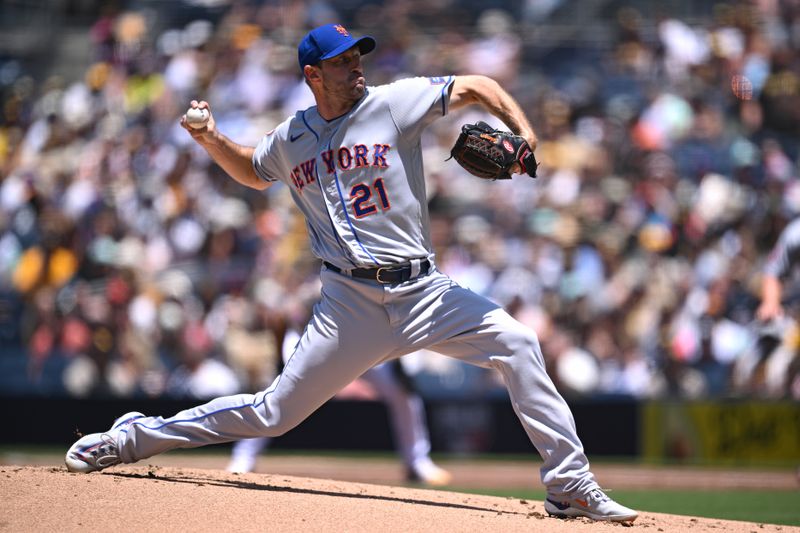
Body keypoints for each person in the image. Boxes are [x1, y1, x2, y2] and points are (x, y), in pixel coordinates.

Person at [66, 23, 638, 523]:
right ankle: (131, 437)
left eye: (358, 54)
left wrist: (524, 131)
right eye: (342, 60)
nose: (356, 64)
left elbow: (475, 86)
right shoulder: (292, 138)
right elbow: (253, 171)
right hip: (349, 303)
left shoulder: (394, 102)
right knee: (273, 415)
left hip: (424, 292)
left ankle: (568, 484)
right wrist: (211, 138)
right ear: (313, 74)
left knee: (517, 341)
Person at [227, 320, 451, 486]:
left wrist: (401, 360)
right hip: (320, 340)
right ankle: (244, 456)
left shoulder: (374, 268)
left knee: (403, 394)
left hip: (368, 346)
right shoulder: (318, 268)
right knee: (280, 396)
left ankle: (417, 462)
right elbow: (284, 316)